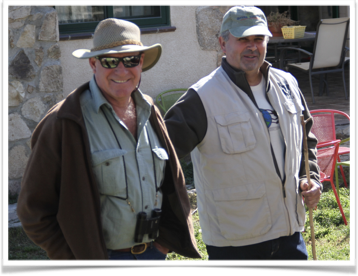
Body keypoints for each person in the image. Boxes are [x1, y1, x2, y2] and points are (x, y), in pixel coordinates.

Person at [17, 18, 201, 260]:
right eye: (110, 60)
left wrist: (163, 244)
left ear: (141, 62)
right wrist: (75, 257)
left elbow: (172, 184)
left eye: (131, 60)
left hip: (154, 254)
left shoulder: (151, 112)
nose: (122, 70)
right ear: (94, 64)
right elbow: (33, 210)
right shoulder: (65, 121)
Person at [164, 6, 321, 260]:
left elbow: (306, 140)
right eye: (243, 39)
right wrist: (169, 229)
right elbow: (159, 160)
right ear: (222, 43)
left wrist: (310, 177)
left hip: (291, 234)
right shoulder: (201, 98)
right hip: (236, 244)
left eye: (258, 39)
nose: (252, 46)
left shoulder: (288, 85)